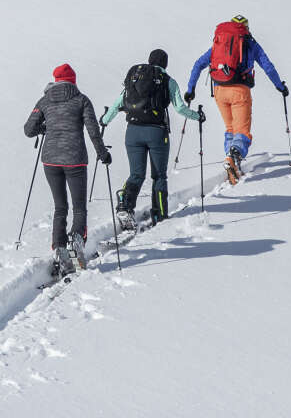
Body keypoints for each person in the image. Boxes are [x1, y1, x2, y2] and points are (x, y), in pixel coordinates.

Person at [23, 63, 110, 275]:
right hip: (75, 160)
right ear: (73, 80)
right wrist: (102, 153)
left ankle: (59, 249)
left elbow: (28, 129)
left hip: (50, 160)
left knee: (60, 207)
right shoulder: (81, 99)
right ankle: (77, 240)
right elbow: (92, 130)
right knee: (79, 207)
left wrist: (46, 127)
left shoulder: (45, 100)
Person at [100, 48, 203, 228]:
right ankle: (159, 214)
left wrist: (104, 120)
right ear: (165, 63)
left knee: (136, 174)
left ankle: (125, 201)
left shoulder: (135, 77)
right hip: (156, 133)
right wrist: (198, 116)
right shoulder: (168, 81)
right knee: (159, 176)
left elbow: (118, 104)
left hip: (132, 131)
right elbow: (179, 108)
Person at [184, 14, 288, 183]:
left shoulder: (220, 43)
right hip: (239, 90)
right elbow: (268, 66)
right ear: (246, 27)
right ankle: (234, 156)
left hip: (219, 90)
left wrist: (191, 90)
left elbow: (198, 64)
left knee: (230, 127)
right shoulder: (251, 44)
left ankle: (231, 160)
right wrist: (280, 86)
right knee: (242, 130)